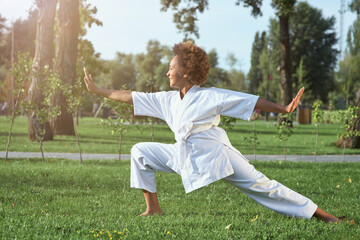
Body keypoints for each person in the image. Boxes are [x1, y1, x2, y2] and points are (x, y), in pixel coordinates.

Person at [83, 42, 340, 223]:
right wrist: (99, 91)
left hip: (216, 156)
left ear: (186, 71)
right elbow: (131, 97)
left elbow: (249, 100)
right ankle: (153, 210)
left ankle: (323, 215)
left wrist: (283, 108)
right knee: (140, 151)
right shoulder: (168, 100)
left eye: (171, 68)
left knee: (263, 186)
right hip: (183, 156)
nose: (167, 72)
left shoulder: (210, 96)